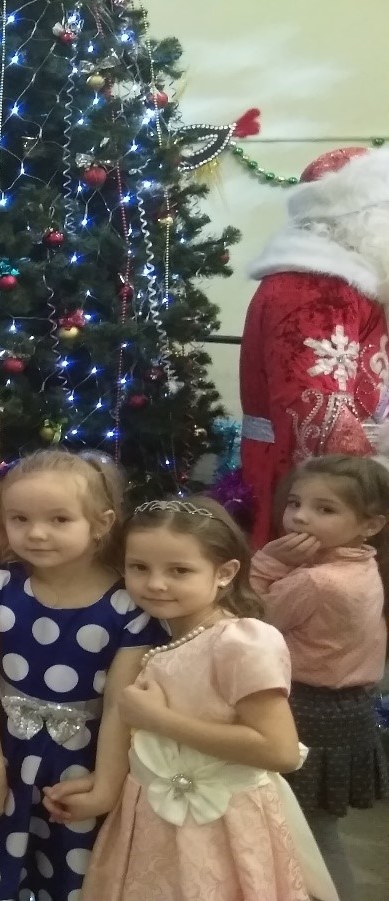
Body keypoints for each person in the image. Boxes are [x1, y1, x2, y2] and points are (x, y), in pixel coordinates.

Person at [81, 498, 337, 901]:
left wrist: (159, 720)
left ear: (224, 573)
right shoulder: (162, 632)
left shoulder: (241, 642)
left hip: (221, 827)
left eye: (179, 570)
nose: (156, 584)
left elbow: (280, 750)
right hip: (151, 818)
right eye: (139, 567)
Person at [0, 450, 164, 901]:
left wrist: (105, 787)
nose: (36, 533)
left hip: (82, 762)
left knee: (72, 874)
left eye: (59, 519)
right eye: (20, 519)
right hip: (5, 751)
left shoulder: (129, 606)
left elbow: (120, 705)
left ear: (101, 522)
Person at [252, 454, 389, 901]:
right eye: (295, 503)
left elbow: (248, 619)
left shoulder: (317, 581)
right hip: (349, 713)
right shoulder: (364, 563)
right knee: (317, 832)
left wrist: (266, 563)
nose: (300, 517)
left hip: (307, 712)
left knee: (306, 837)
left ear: (370, 524)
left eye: (324, 509)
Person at [240, 147, 389, 547]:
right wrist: (373, 490)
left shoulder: (352, 283)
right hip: (323, 494)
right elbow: (317, 414)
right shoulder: (317, 286)